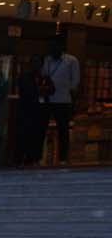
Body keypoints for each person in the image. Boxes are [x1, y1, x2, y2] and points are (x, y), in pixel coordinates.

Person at [40, 35, 82, 164]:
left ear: (62, 47)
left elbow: (75, 81)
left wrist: (65, 88)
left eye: (55, 45)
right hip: (47, 100)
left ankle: (63, 158)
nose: (52, 48)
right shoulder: (46, 60)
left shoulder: (71, 60)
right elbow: (42, 76)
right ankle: (40, 156)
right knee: (41, 128)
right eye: (51, 45)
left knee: (63, 129)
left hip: (63, 100)